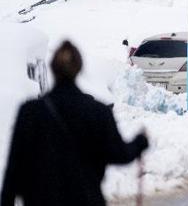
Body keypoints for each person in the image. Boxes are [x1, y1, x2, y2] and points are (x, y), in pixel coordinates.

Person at [1, 41, 148, 206]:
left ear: (52, 68)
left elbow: (13, 170)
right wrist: (140, 142)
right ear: (79, 68)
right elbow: (119, 153)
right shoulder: (98, 111)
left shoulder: (30, 112)